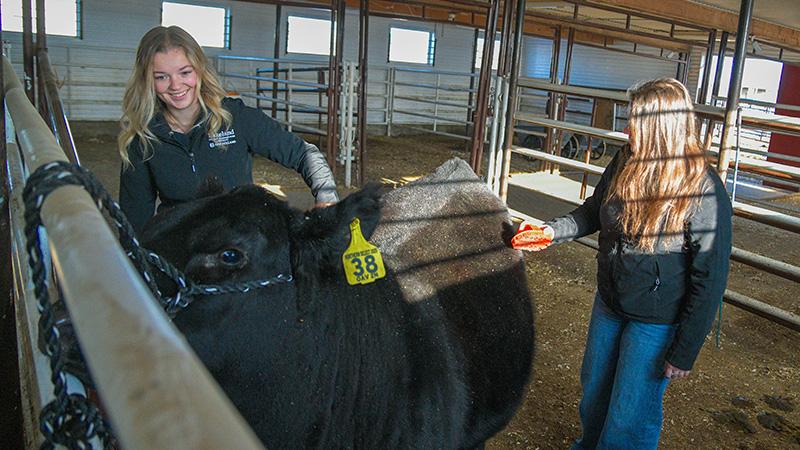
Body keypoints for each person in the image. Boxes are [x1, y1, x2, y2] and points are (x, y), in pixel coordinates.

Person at [531, 78, 732, 449]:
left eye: (634, 122)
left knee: (631, 412)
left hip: (656, 319)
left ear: (660, 127)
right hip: (610, 300)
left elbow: (711, 277)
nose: (626, 129)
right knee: (593, 390)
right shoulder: (626, 159)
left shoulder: (702, 189)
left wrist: (684, 349)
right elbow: (595, 210)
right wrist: (550, 231)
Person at [118, 26, 338, 233]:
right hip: (185, 249)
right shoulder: (143, 139)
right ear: (147, 80)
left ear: (200, 71)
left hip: (243, 243)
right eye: (161, 77)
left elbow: (304, 154)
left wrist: (327, 197)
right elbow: (135, 219)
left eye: (185, 72)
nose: (175, 85)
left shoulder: (235, 118)